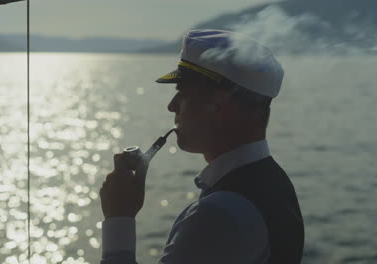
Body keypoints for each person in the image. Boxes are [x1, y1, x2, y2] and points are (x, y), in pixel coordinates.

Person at [99, 29, 304, 264]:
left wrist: (119, 217)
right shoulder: (275, 182)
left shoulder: (219, 214)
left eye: (182, 94)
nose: (171, 106)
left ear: (218, 104)